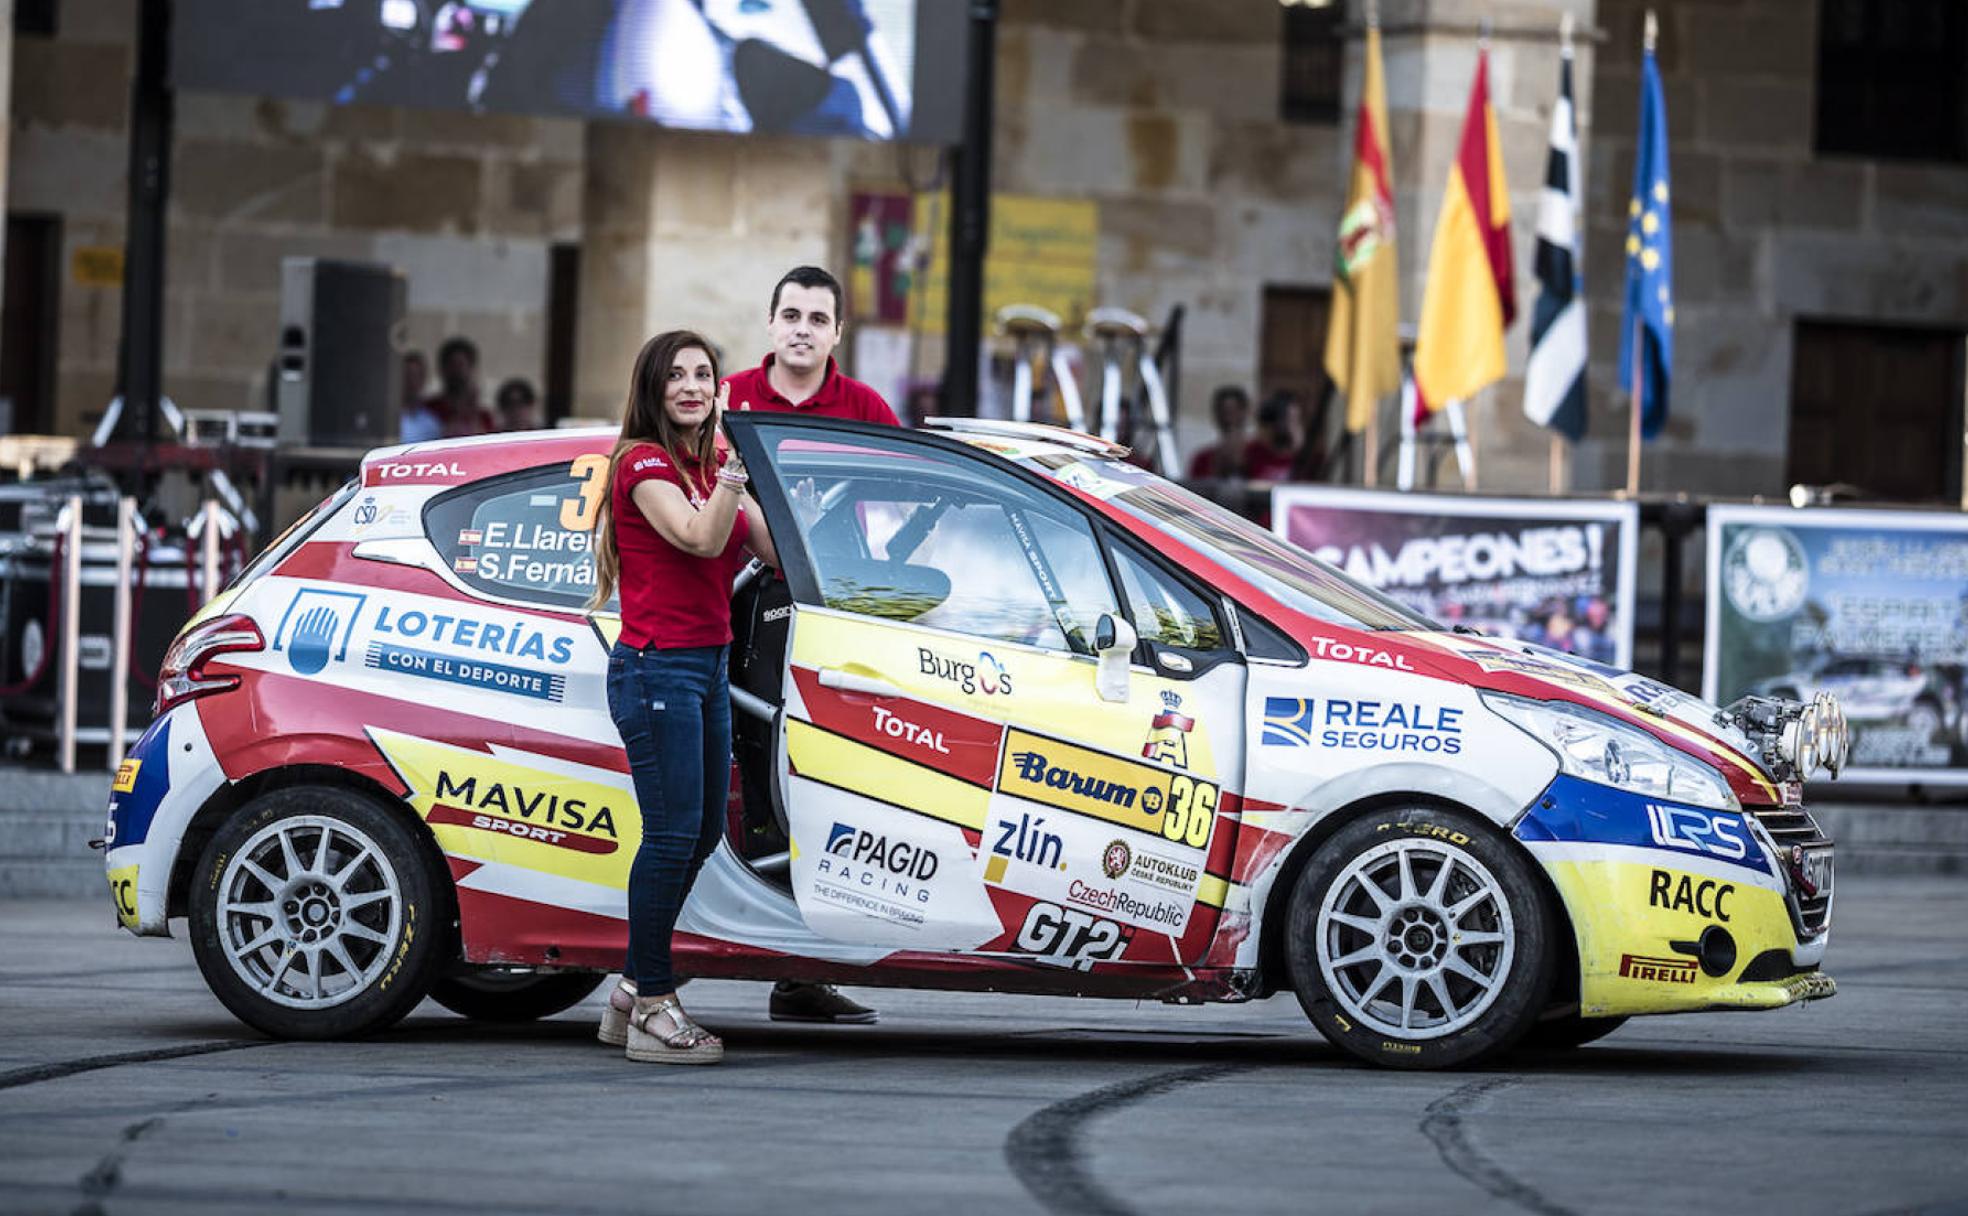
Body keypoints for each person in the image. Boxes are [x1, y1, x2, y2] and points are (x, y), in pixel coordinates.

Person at [590, 330, 779, 1064]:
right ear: (653, 388)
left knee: (698, 835)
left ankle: (629, 992)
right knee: (671, 838)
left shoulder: (706, 467)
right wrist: (733, 470)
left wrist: (740, 466)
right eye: (677, 376)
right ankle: (655, 1007)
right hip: (656, 671)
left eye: (704, 374)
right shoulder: (642, 463)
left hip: (705, 669)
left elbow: (766, 549)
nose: (694, 387)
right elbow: (702, 541)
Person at [723, 265, 892, 1026]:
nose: (801, 328)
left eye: (816, 319)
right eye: (789, 314)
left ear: (836, 332)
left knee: (817, 776)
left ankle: (800, 970)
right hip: (730, 612)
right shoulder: (728, 396)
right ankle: (714, 948)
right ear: (768, 324)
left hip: (828, 623)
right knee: (745, 774)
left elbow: (917, 490)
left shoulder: (863, 408)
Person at [426, 336, 495, 437]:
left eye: (461, 365)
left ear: (472, 369)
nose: (457, 372)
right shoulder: (430, 410)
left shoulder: (483, 417)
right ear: (442, 369)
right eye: (453, 365)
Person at [1185, 386, 1251, 480]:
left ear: (1244, 412)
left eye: (1233, 412)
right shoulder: (1202, 459)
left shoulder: (1259, 455)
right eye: (1224, 412)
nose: (1228, 418)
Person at [399, 352, 442, 443]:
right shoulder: (390, 419)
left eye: (417, 375)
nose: (412, 381)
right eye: (408, 375)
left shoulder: (431, 423)